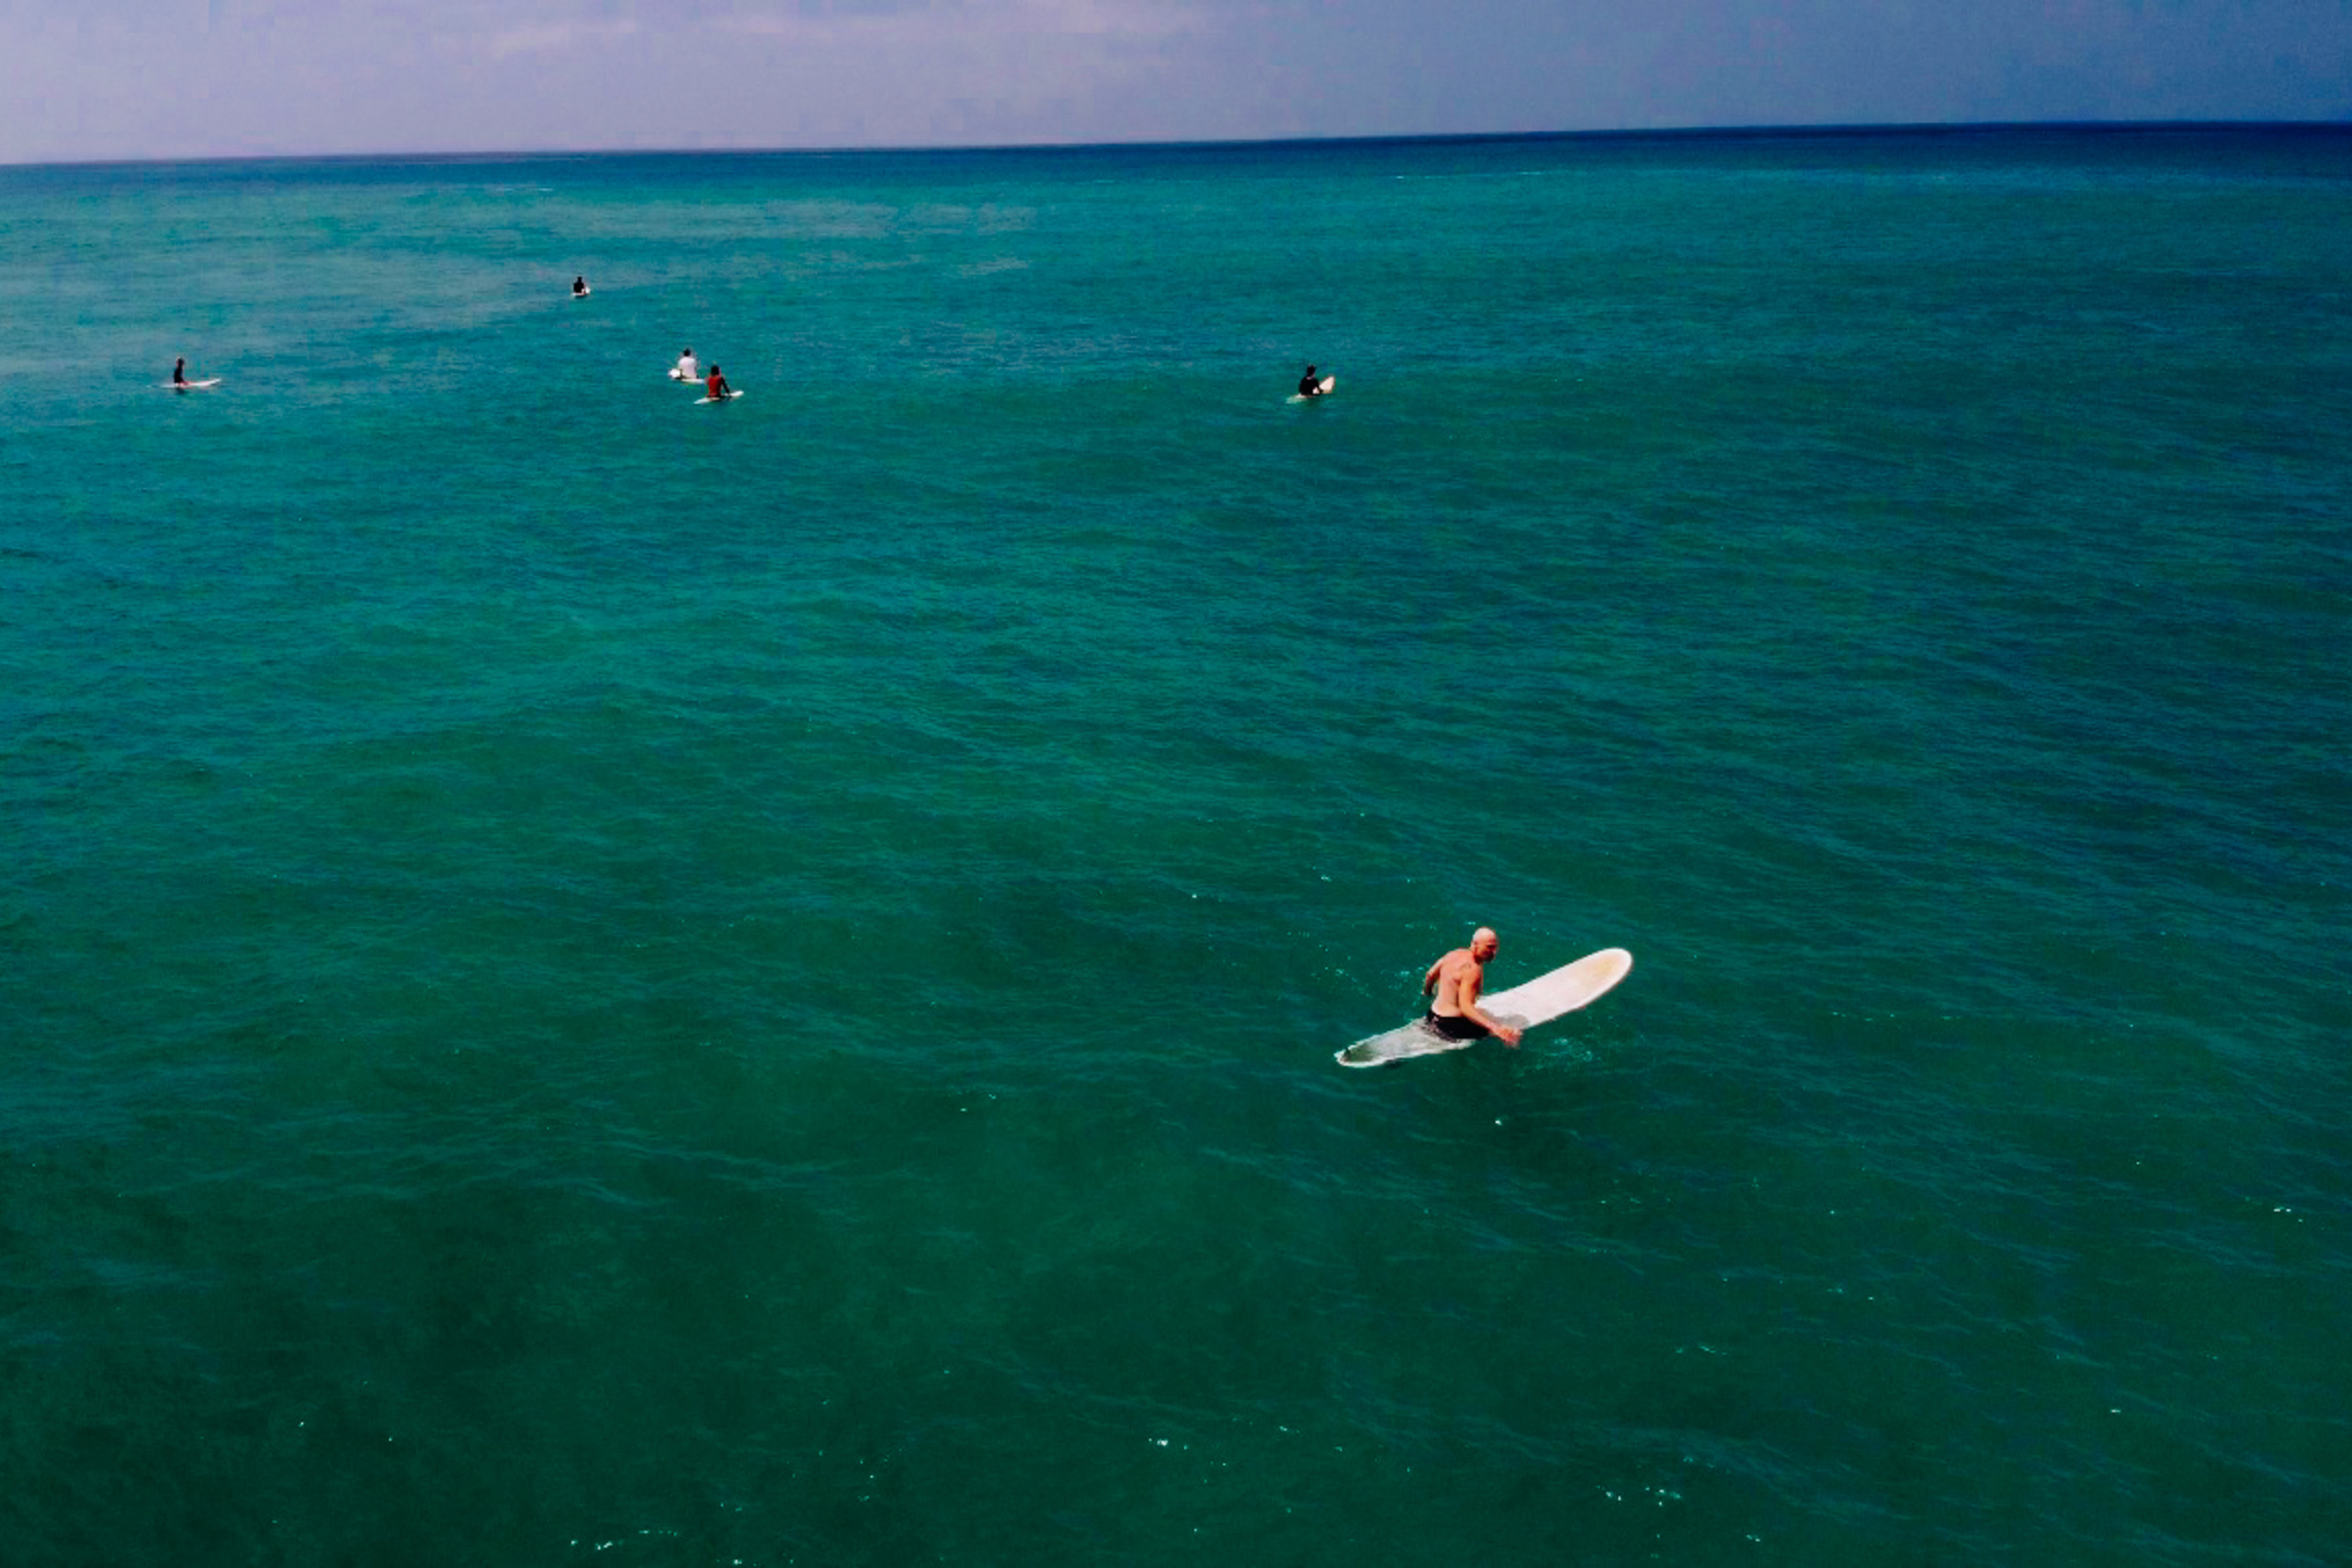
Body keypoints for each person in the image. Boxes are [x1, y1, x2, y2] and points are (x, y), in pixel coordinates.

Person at [1420, 927, 1522, 1047]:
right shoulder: (1472, 970)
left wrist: (1427, 993)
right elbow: (1466, 1008)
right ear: (1475, 945)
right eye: (1489, 947)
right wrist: (1496, 1029)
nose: (1494, 952)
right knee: (1514, 1034)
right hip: (1449, 1027)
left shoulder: (1453, 954)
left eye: (1496, 947)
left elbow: (1430, 975)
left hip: (1431, 1015)